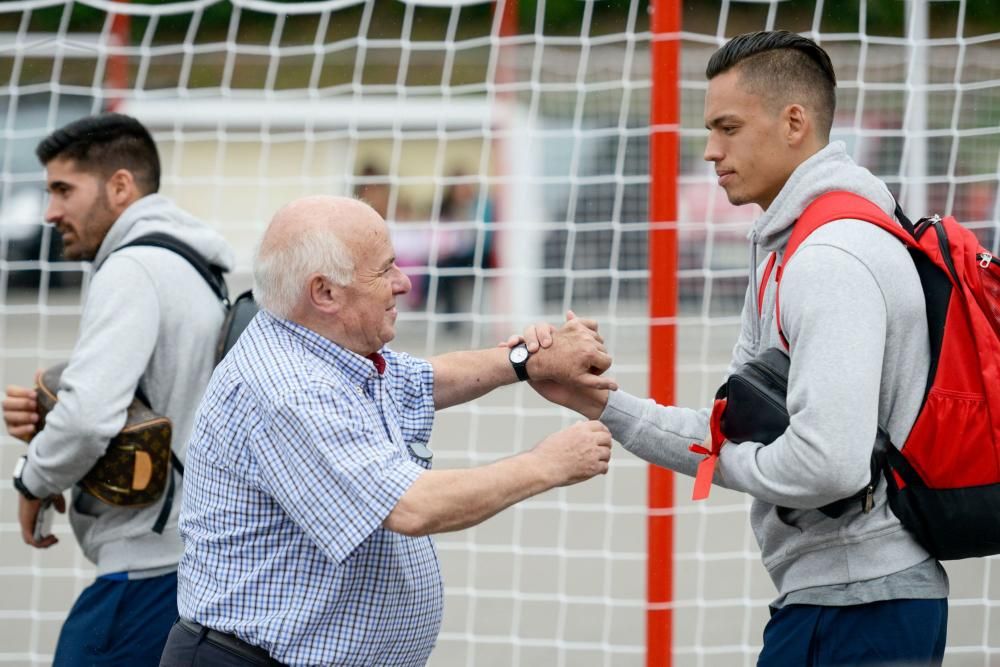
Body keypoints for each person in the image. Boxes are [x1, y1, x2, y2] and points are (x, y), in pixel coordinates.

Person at [514, 31, 948, 666]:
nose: (711, 151)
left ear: (793, 122)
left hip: (864, 607)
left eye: (728, 128)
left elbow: (829, 466)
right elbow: (725, 431)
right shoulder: (786, 246)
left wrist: (729, 467)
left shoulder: (830, 257)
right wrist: (601, 404)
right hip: (834, 599)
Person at [159, 195, 616, 667]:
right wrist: (547, 464)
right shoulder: (288, 390)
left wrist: (529, 360)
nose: (403, 282)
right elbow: (412, 506)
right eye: (384, 270)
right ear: (325, 293)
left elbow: (420, 379)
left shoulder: (313, 341)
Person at [1, 113, 235, 665]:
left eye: (63, 190)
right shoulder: (191, 262)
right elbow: (163, 389)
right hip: (194, 561)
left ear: (121, 186)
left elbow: (88, 418)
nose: (51, 211)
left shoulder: (131, 269)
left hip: (146, 565)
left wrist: (34, 480)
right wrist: (50, 406)